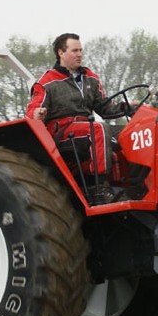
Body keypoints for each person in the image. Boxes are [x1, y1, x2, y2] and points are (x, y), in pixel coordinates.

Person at [26, 33, 125, 199]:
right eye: (74, 51)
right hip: (62, 130)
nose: (79, 54)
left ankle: (130, 185)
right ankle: (98, 186)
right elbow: (33, 109)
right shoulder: (47, 82)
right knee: (99, 129)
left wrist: (128, 107)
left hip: (86, 126)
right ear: (61, 53)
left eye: (80, 50)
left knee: (129, 133)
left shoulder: (90, 78)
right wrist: (37, 113)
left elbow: (106, 108)